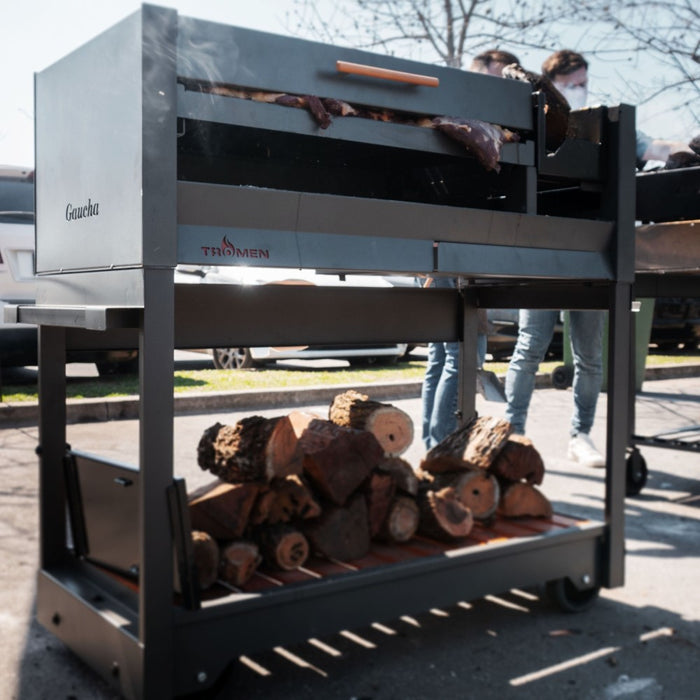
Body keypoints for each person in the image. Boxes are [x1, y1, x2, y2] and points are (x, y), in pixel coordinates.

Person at [505, 49, 693, 468]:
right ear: (553, 82)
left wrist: (684, 150)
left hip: (593, 247)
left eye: (583, 80)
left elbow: (649, 145)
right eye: (572, 82)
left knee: (590, 356)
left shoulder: (607, 118)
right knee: (529, 346)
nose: (580, 88)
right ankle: (512, 434)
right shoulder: (537, 116)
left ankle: (580, 436)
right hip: (544, 246)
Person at [422, 50, 519, 450]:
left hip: (440, 237)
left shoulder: (452, 110)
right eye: (497, 77)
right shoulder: (469, 116)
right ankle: (444, 447)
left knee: (442, 355)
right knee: (460, 356)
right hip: (454, 241)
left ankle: (432, 446)